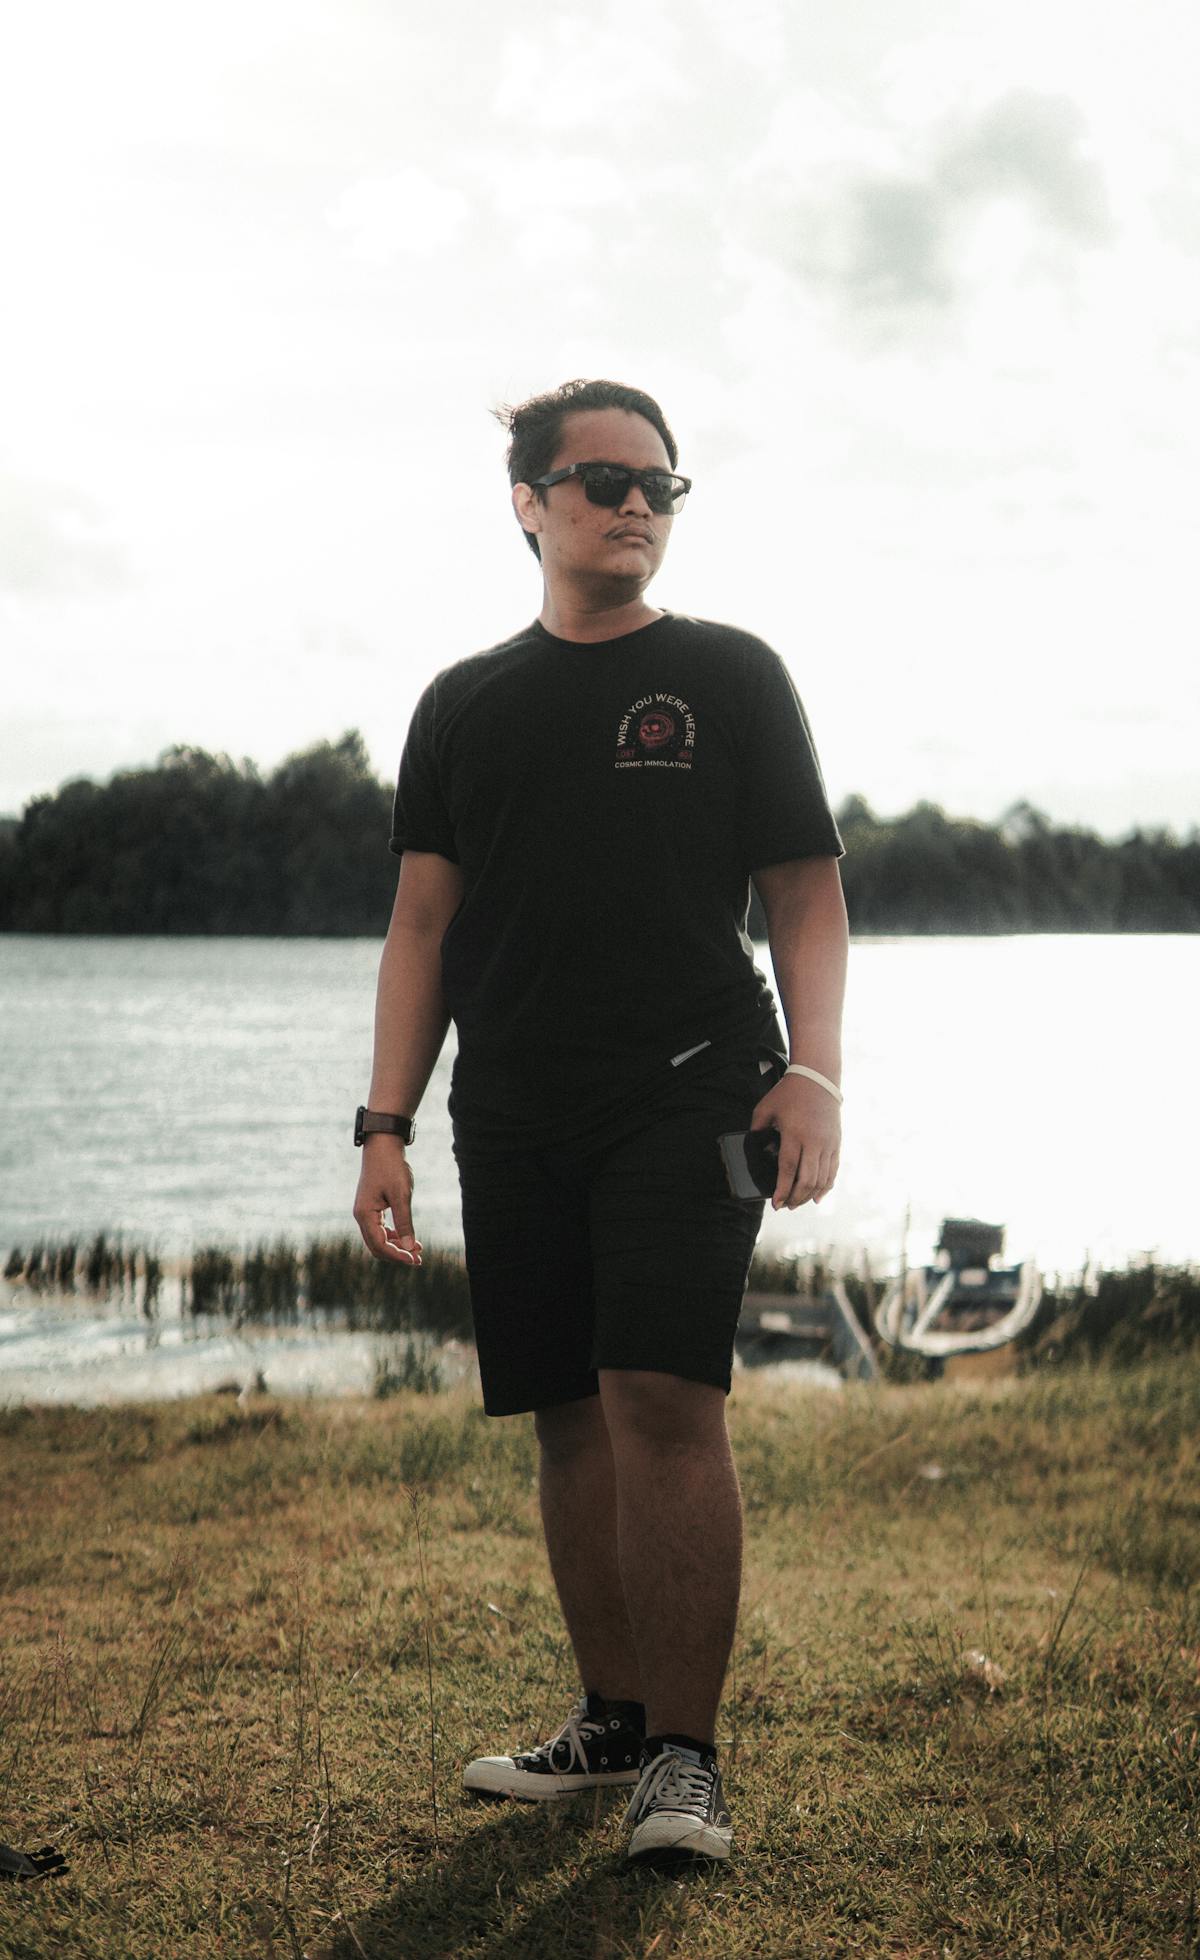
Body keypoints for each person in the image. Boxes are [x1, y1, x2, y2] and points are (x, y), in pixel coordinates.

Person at [352, 377, 848, 1865]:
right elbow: (421, 926)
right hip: (512, 1107)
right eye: (602, 481)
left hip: (691, 1090)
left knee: (660, 1398)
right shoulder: (462, 703)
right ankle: (612, 1722)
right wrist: (385, 1124)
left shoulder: (733, 676)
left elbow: (808, 894)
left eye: (660, 486)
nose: (636, 505)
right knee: (566, 1408)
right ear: (529, 504)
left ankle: (686, 1765)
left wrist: (812, 1072)